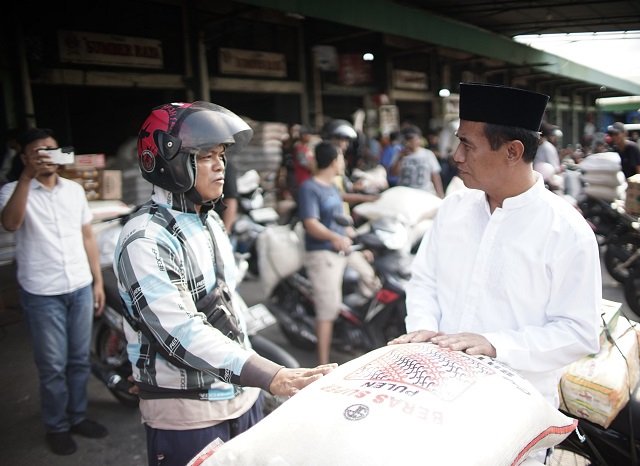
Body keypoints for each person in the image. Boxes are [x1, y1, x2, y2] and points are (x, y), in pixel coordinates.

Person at [388, 83, 601, 463]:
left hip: (514, 417)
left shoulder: (566, 231)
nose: (455, 156)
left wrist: (495, 344)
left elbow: (578, 332)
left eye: (468, 145)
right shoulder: (453, 209)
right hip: (438, 400)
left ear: (512, 151)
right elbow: (424, 281)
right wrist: (422, 329)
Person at [114, 101, 335, 466]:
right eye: (205, 156)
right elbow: (181, 331)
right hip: (191, 415)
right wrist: (272, 374)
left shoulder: (210, 223)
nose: (220, 165)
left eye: (221, 155)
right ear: (169, 162)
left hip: (242, 397)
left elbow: (229, 304)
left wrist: (270, 368)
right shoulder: (145, 238)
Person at [0, 128, 108, 456]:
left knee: (78, 359)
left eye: (50, 150)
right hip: (41, 293)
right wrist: (26, 178)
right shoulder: (11, 191)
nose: (46, 156)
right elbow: (11, 224)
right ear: (25, 158)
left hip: (78, 287)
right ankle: (56, 425)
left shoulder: (73, 191)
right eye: (38, 152)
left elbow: (88, 237)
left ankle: (77, 417)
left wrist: (98, 281)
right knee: (52, 366)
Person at [297, 141, 380, 365]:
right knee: (328, 308)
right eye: (342, 157)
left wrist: (356, 238)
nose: (343, 162)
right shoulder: (309, 187)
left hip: (344, 247)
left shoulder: (333, 186)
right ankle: (323, 364)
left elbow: (339, 218)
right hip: (322, 253)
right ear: (334, 161)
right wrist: (335, 237)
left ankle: (351, 329)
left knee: (372, 281)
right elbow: (311, 223)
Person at [390, 125, 445, 197]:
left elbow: (435, 176)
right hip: (405, 195)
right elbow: (393, 173)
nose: (409, 142)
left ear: (419, 139)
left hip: (425, 194)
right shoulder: (399, 154)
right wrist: (400, 158)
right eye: (407, 139)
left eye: (412, 139)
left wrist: (440, 195)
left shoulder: (428, 154)